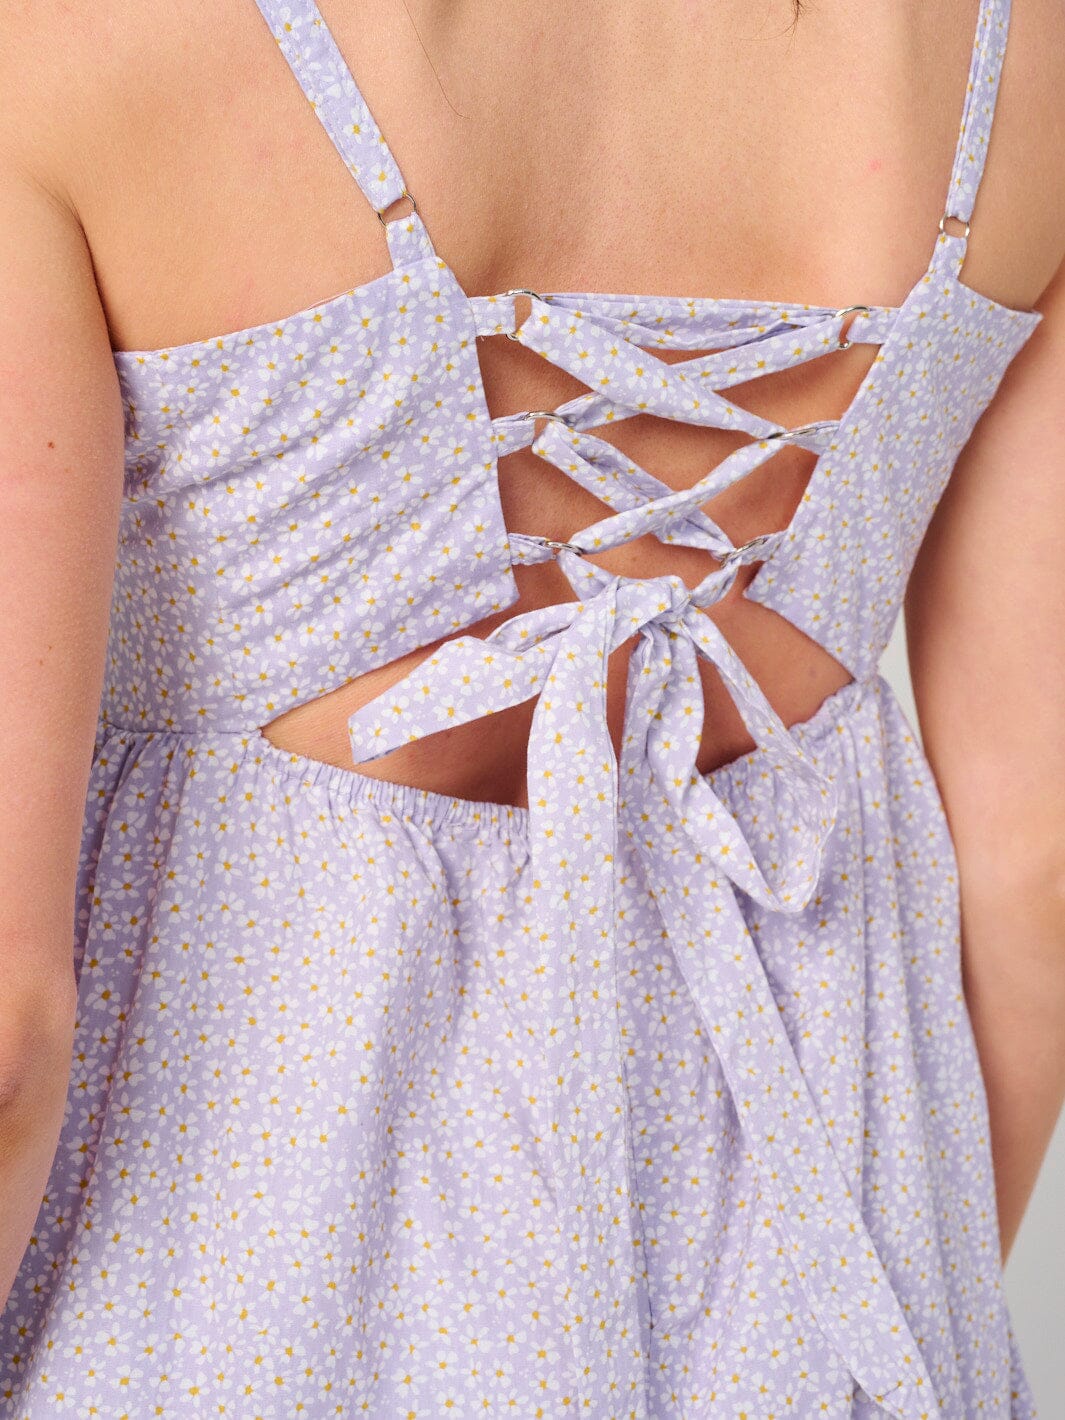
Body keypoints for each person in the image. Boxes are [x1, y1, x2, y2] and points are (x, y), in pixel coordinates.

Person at [1, 0, 1063, 1414]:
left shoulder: (66, 44)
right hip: (822, 1262)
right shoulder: (1024, 49)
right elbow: (1038, 873)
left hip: (237, 1269)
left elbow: (8, 1025)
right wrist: (898, 1294)